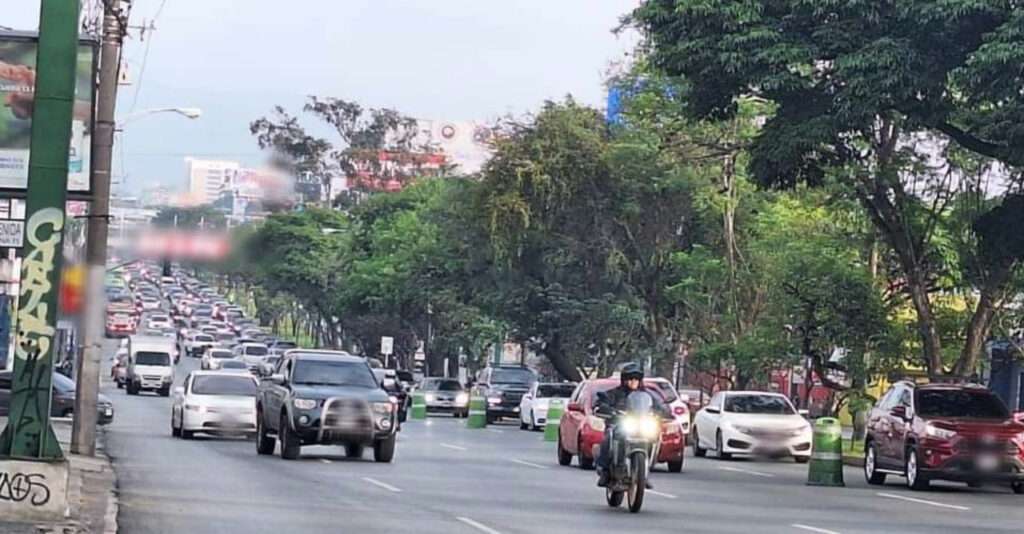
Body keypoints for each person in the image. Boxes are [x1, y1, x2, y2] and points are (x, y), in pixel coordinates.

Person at [594, 362, 671, 488]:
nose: (633, 381)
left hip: (641, 426)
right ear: (624, 380)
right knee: (610, 436)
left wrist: (664, 413)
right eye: (630, 378)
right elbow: (602, 402)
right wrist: (606, 409)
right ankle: (605, 471)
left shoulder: (647, 395)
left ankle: (644, 472)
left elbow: (660, 407)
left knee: (654, 437)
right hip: (620, 424)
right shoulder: (615, 393)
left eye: (636, 378)